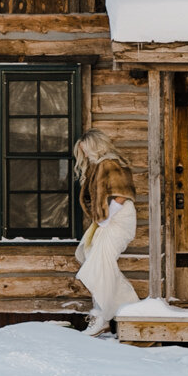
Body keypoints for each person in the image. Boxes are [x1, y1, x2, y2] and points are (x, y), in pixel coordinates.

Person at [72, 129, 138, 336]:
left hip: (118, 219)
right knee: (93, 258)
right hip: (106, 220)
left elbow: (121, 196)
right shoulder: (98, 166)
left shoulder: (109, 163)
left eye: (86, 150)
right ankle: (130, 309)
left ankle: (102, 316)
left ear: (95, 146)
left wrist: (107, 217)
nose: (84, 155)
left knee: (99, 263)